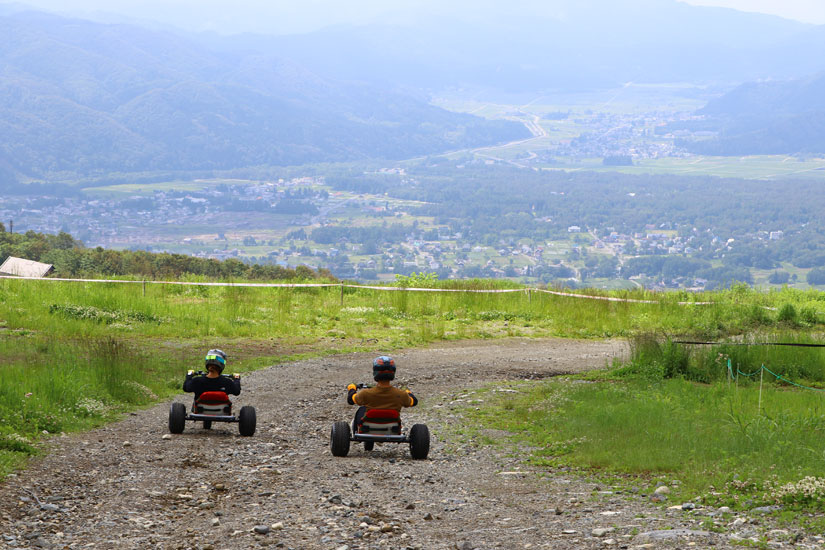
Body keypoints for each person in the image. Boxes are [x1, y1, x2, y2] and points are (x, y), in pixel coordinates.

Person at [347, 356, 417, 430]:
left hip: (368, 428)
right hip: (392, 428)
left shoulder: (365, 393)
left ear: (375, 372)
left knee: (362, 408)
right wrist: (408, 392)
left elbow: (351, 400)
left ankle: (355, 431)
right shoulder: (401, 394)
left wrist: (352, 388)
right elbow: (414, 402)